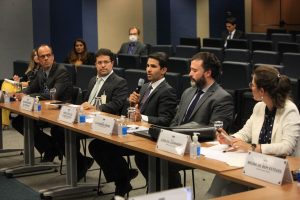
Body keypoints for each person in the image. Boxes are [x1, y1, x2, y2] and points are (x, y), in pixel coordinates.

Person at [88, 52, 177, 198]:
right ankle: (122, 179)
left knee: (139, 157)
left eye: (153, 66)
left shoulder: (167, 91)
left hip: (149, 138)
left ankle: (132, 185)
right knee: (97, 146)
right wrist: (130, 102)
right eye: (147, 66)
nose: (148, 69)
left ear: (163, 70)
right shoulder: (145, 87)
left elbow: (166, 121)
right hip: (133, 132)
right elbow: (129, 113)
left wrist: (143, 117)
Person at [205, 65, 300, 198]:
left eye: (253, 84)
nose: (250, 87)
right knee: (222, 179)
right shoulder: (259, 107)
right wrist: (229, 138)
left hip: (279, 171)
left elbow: (287, 147)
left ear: (262, 91)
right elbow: (245, 133)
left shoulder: (289, 110)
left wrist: (253, 147)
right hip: (257, 164)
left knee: (228, 192)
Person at [12, 44, 92, 181]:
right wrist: (21, 94)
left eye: (48, 55)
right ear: (38, 58)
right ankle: (50, 148)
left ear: (53, 56)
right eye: (42, 56)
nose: (46, 58)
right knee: (18, 121)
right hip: (44, 110)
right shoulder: (41, 71)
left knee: (58, 132)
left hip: (61, 112)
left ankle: (79, 162)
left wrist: (29, 97)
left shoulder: (61, 71)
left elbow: (52, 95)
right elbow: (32, 88)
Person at [168, 52, 235, 188]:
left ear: (208, 73)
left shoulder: (222, 97)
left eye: (194, 70)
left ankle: (176, 194)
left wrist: (179, 134)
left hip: (197, 148)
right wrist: (170, 135)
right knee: (146, 156)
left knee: (163, 162)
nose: (190, 74)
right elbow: (175, 121)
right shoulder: (188, 92)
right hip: (176, 142)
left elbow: (215, 131)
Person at [81, 48, 128, 114]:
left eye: (106, 62)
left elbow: (116, 105)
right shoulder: (93, 80)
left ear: (112, 63)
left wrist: (95, 108)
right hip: (86, 114)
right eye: (99, 62)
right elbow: (86, 101)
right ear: (95, 64)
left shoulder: (120, 82)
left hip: (103, 119)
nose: (103, 65)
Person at [1, 49, 40, 129]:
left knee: (7, 93)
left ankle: (4, 120)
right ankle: (5, 98)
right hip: (22, 86)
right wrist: (18, 80)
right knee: (6, 83)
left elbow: (34, 83)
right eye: (34, 55)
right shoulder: (32, 68)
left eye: (38, 55)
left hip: (29, 89)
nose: (36, 57)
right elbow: (24, 79)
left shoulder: (42, 69)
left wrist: (21, 83)